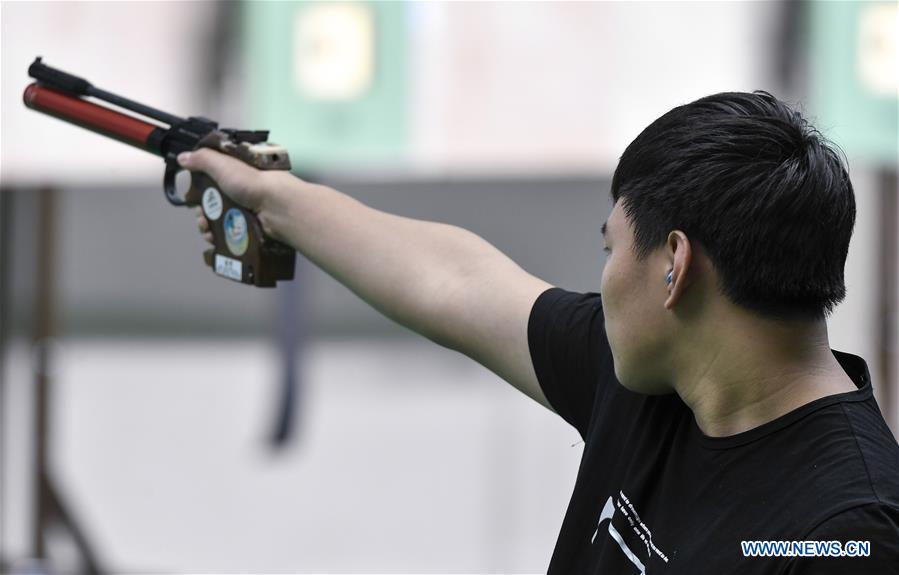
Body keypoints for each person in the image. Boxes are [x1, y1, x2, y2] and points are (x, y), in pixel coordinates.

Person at [179, 91, 899, 573]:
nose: (604, 271)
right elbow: (455, 282)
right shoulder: (659, 379)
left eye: (610, 246)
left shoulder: (843, 533)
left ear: (673, 264)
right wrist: (274, 196)